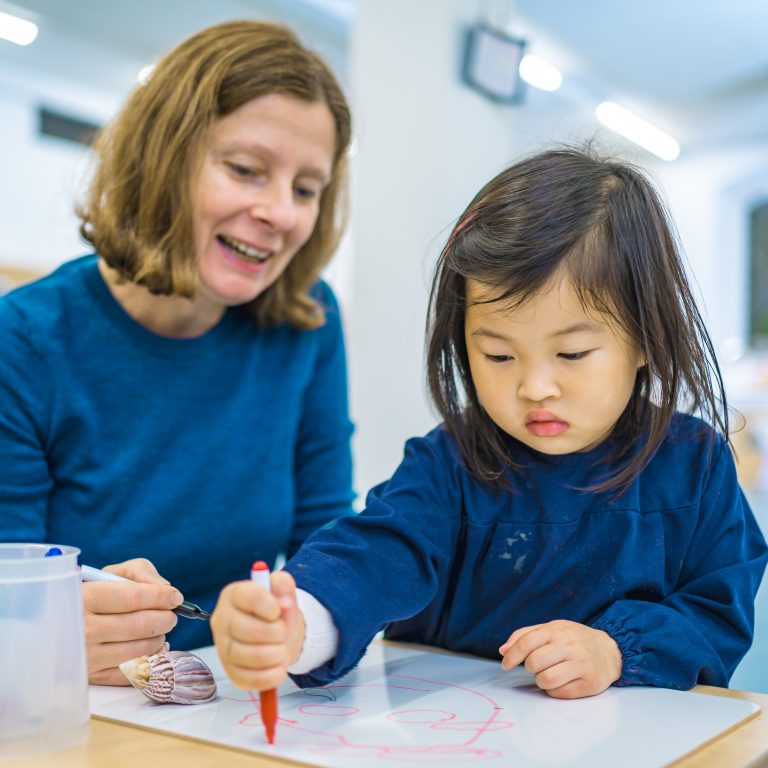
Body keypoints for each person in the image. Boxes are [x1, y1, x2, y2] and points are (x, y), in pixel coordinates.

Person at [211, 147, 768, 699]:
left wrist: (617, 649)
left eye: (572, 354)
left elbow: (717, 610)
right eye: (499, 356)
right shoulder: (448, 462)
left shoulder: (696, 463)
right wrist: (300, 619)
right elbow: (380, 550)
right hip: (461, 739)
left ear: (645, 339)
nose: (535, 388)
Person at [0, 20, 355, 685]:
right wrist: (39, 630)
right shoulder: (22, 339)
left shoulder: (308, 322)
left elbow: (329, 546)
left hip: (231, 701)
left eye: (306, 189)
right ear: (164, 159)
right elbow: (9, 586)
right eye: (247, 170)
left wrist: (301, 619)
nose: (280, 213)